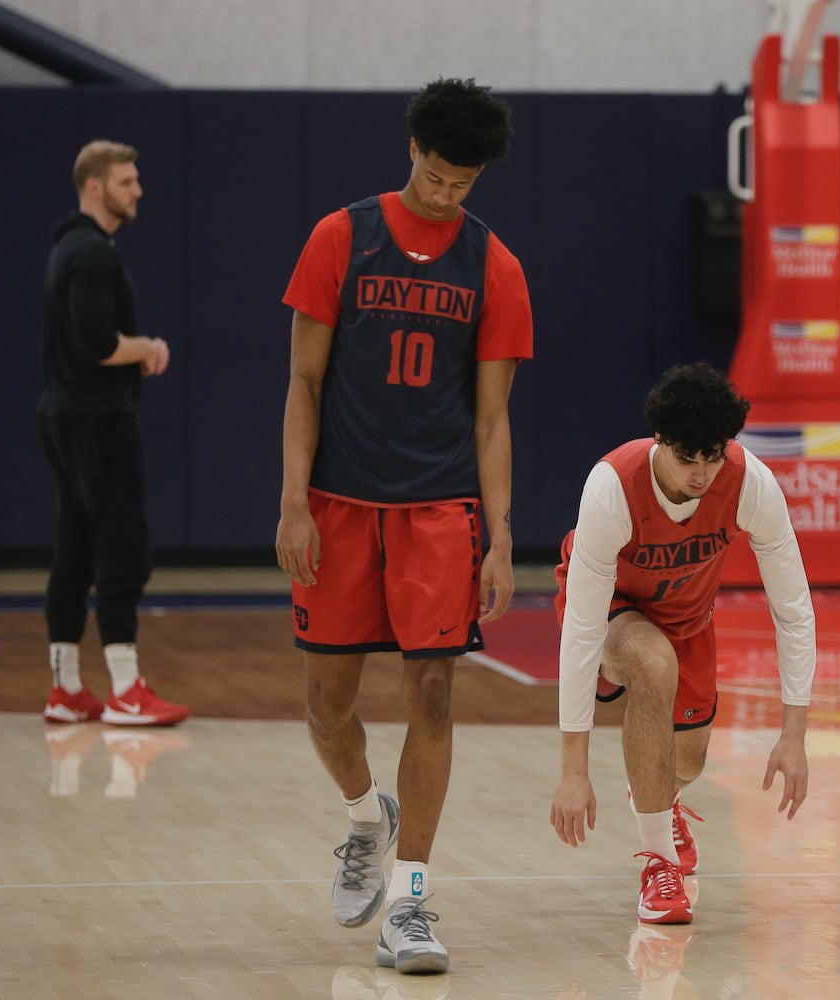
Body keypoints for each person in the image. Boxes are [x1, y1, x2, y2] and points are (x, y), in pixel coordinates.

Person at [275, 78, 532, 976]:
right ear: (411, 148)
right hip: (341, 505)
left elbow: (492, 419)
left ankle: (411, 904)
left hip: (438, 510)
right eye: (435, 175)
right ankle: (363, 818)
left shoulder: (494, 264)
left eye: (464, 183)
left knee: (433, 695)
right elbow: (304, 383)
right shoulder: (340, 237)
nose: (446, 193)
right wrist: (293, 500)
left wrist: (499, 537)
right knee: (326, 708)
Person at [549, 362, 817, 925]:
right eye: (686, 458)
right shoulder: (612, 487)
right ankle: (657, 866)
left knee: (686, 760)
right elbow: (580, 630)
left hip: (686, 617)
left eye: (712, 457)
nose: (700, 474)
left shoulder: (752, 486)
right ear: (660, 441)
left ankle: (658, 800)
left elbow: (793, 612)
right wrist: (574, 768)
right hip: (608, 611)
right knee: (652, 663)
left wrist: (794, 735)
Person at [38, 140, 190, 729]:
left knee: (74, 547)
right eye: (127, 181)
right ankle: (127, 688)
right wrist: (147, 349)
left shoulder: (65, 248)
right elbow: (96, 343)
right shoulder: (93, 253)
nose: (138, 190)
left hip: (63, 414)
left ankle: (66, 687)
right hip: (97, 418)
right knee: (123, 545)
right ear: (95, 187)